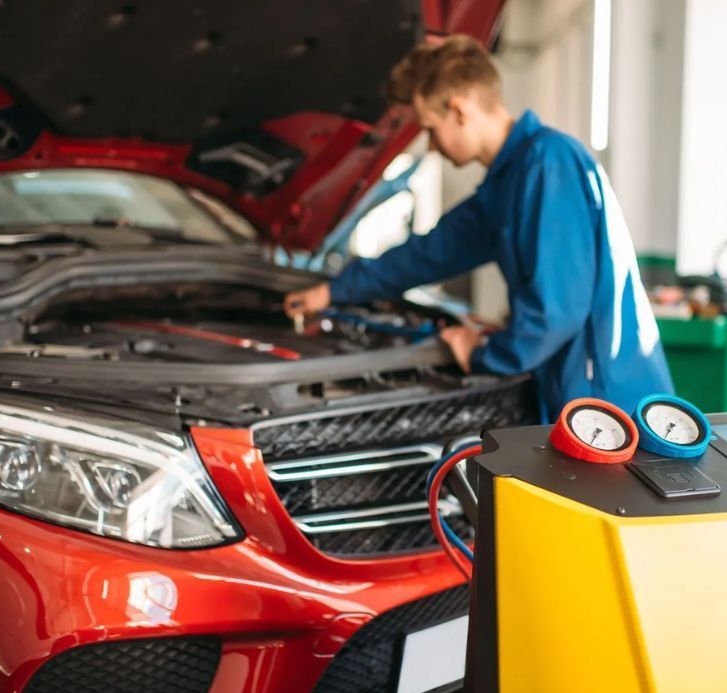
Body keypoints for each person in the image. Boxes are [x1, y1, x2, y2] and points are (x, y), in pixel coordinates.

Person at [285, 35, 673, 420]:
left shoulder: (547, 162)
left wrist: (484, 354)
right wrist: (333, 290)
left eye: (431, 129)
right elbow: (428, 254)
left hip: (606, 407)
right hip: (570, 395)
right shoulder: (507, 183)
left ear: (459, 110)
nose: (432, 146)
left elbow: (556, 312)